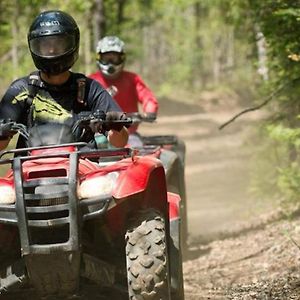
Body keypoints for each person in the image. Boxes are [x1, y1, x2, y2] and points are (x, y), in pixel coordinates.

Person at [0, 11, 128, 151]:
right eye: (45, 46)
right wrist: (3, 133)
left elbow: (119, 142)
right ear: (34, 47)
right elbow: (2, 145)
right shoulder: (22, 89)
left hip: (83, 168)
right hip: (29, 168)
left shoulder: (89, 88)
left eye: (59, 44)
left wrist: (116, 127)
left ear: (73, 44)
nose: (51, 50)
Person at [88, 36, 158, 146]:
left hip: (129, 136)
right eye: (106, 59)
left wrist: (150, 111)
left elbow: (147, 97)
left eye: (114, 58)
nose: (110, 63)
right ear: (99, 58)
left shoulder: (132, 79)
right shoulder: (91, 81)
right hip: (97, 135)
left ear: (122, 58)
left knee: (137, 155)